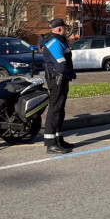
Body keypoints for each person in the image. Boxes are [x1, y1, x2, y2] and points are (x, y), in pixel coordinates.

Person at [38, 18, 77, 154]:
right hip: (56, 80)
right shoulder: (54, 42)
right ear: (59, 29)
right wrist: (71, 73)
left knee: (60, 110)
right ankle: (51, 143)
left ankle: (59, 139)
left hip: (61, 79)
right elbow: (61, 65)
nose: (66, 30)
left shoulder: (58, 41)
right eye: (65, 28)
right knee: (54, 110)